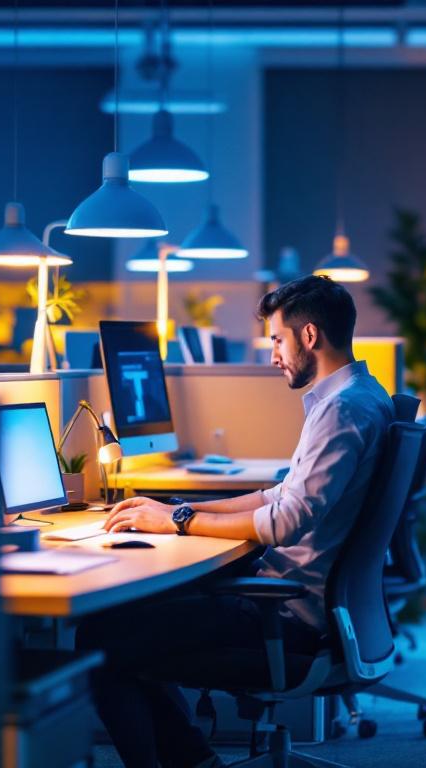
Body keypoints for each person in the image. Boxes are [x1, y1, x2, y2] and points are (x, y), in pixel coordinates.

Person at [76, 275, 397, 768]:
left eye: (277, 339)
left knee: (103, 640)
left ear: (309, 336)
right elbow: (279, 494)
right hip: (309, 606)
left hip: (291, 617)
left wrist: (179, 522)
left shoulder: (342, 410)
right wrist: (179, 511)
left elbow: (287, 520)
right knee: (138, 617)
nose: (273, 355)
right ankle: (196, 760)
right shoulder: (360, 395)